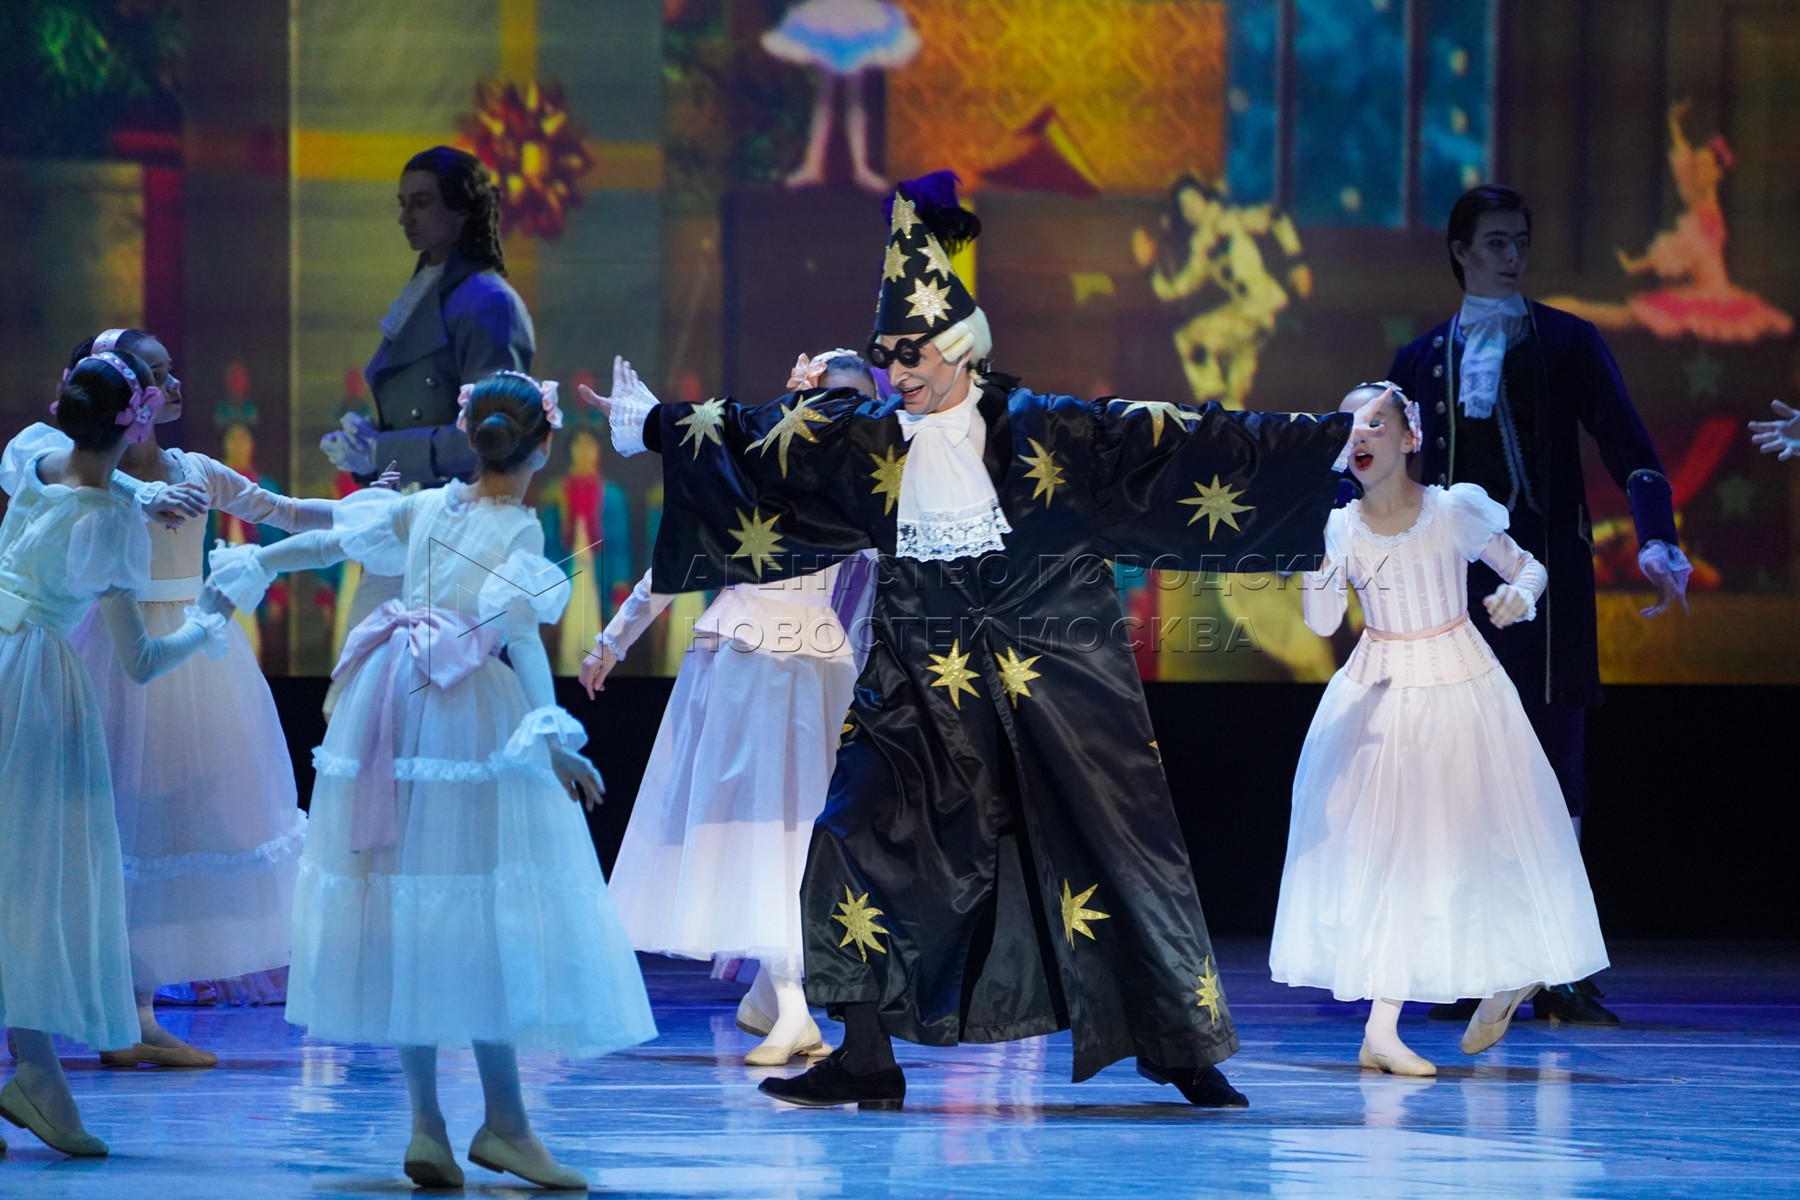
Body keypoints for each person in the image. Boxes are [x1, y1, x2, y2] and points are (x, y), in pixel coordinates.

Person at [582, 171, 1357, 1110]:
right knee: (851, 840)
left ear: (957, 346)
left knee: (1114, 848)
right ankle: (866, 1057)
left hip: (1050, 676)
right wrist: (652, 425)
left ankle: (1180, 1046)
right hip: (916, 677)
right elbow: (764, 438)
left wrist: (1323, 442)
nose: (897, 372)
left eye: (910, 354)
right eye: (887, 356)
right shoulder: (874, 437)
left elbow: (1177, 439)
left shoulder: (1046, 429)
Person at [208, 372, 654, 1189]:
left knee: (409, 901)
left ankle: (429, 1126)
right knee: (474, 910)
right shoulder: (517, 527)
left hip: (388, 700)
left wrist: (258, 560)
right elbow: (523, 639)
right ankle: (505, 1124)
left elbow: (332, 542)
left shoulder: (429, 505)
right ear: (543, 446)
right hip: (461, 710)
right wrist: (549, 734)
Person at [11, 329, 391, 1069]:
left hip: (196, 660)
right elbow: (56, 472)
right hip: (111, 650)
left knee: (172, 824)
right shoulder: (75, 466)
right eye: (160, 376)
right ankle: (104, 1008)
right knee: (115, 823)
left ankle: (138, 1010)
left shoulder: (197, 471)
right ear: (131, 398)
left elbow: (282, 510)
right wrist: (140, 493)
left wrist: (361, 510)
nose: (177, 385)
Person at [1386, 184, 1688, 1027]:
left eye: (1520, 240)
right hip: (1452, 587)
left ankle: (1558, 968)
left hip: (1549, 584)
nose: (1512, 256)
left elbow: (1629, 443)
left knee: (1555, 768)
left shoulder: (1567, 342)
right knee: (1455, 770)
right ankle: (1467, 963)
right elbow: (1377, 472)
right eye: (1495, 242)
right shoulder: (1419, 359)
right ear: (1460, 251)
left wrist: (1657, 539)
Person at [1271, 383, 1608, 1075]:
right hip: (1380, 695)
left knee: (1488, 841)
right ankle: (1382, 1030)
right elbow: (1323, 623)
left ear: (1410, 437)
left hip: (1460, 685)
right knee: (1396, 854)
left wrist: (1519, 596)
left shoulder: (1450, 510)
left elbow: (1529, 566)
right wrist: (1314, 543)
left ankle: (1513, 975)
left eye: (1376, 423)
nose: (1360, 435)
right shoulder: (1339, 526)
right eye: (1348, 426)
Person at [584, 350, 877, 1068]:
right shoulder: (771, 468)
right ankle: (779, 998)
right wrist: (614, 639)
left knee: (789, 831)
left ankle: (786, 1001)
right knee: (763, 827)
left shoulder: (864, 482)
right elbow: (682, 557)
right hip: (759, 657)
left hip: (798, 662)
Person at [0, 350, 233, 1156]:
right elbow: (140, 661)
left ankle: (38, 1073)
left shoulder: (33, 459)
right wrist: (210, 618)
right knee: (34, 878)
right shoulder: (110, 523)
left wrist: (133, 488)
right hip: (34, 685)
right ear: (135, 424)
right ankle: (37, 1076)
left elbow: (60, 464)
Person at [323, 145, 534, 632]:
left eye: (420, 203)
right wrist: (368, 449)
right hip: (405, 520)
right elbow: (418, 411)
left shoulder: (489, 303)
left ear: (460, 210)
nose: (405, 219)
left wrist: (382, 450)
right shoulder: (431, 290)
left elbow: (493, 438)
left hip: (457, 530)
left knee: (436, 664)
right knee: (369, 664)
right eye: (402, 204)